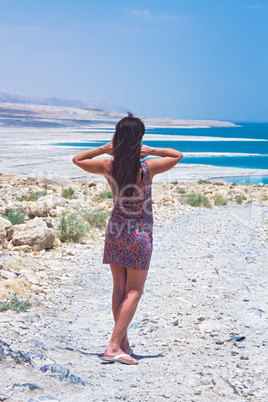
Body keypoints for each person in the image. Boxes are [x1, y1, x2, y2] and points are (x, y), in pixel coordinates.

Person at [72, 113, 183, 365]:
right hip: (139, 234)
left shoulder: (107, 166)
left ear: (117, 139)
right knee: (134, 291)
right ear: (139, 140)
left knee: (119, 289)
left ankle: (123, 344)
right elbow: (177, 155)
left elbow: (77, 159)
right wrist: (151, 150)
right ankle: (112, 346)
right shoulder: (147, 167)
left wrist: (104, 149)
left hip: (116, 231)